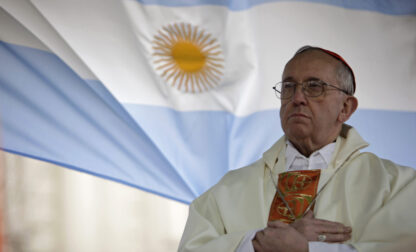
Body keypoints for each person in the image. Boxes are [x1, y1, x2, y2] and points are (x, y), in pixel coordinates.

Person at [178, 46, 416, 252]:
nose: (298, 98)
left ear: (345, 107)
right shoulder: (229, 190)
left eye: (314, 87)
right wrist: (257, 243)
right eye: (289, 87)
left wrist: (308, 249)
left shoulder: (397, 186)